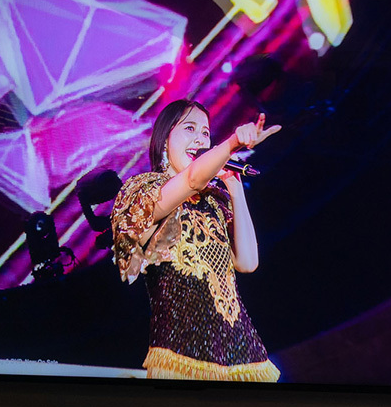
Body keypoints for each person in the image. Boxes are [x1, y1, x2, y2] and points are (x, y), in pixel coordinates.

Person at [111, 99, 281, 381]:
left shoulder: (215, 201)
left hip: (244, 358)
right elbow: (191, 180)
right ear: (165, 139)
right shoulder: (144, 189)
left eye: (205, 133)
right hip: (182, 359)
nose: (200, 139)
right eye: (190, 128)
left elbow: (248, 262)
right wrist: (231, 143)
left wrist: (234, 185)